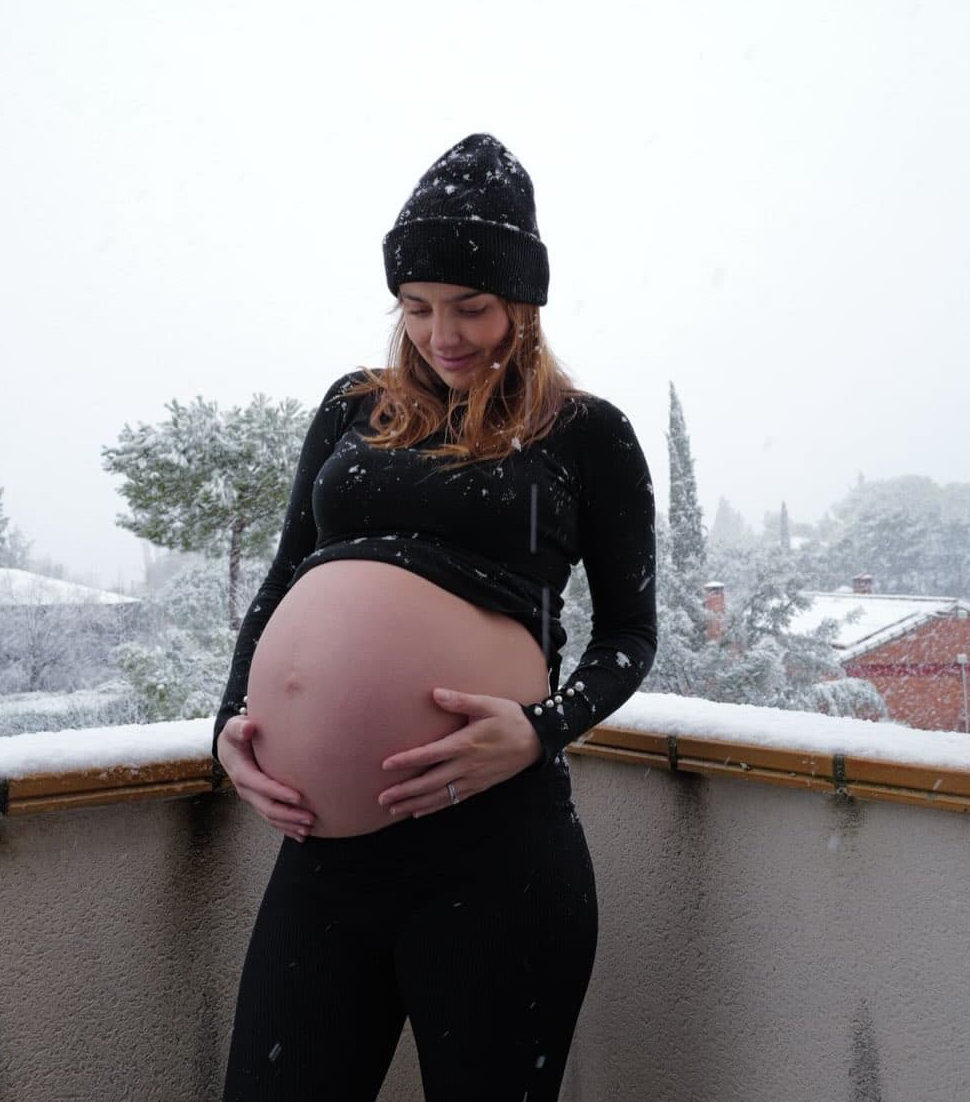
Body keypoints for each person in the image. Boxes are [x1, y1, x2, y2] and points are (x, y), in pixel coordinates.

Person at [214, 132, 657, 1101]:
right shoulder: (349, 409)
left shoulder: (586, 435)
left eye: (470, 307)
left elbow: (629, 634)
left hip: (493, 857)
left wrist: (536, 732)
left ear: (523, 306)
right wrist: (229, 727)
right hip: (323, 866)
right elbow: (284, 578)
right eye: (415, 307)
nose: (440, 333)